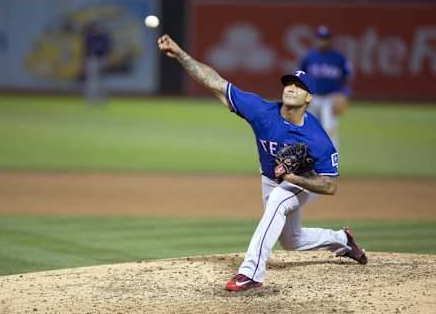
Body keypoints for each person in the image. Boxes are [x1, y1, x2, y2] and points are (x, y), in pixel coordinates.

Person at [157, 34, 367, 292]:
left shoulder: (316, 138)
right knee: (293, 240)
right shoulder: (261, 111)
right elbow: (216, 83)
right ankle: (343, 240)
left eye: (299, 86)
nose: (291, 88)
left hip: (302, 179)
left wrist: (293, 179)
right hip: (269, 177)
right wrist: (180, 54)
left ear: (309, 98)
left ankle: (251, 272)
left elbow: (330, 185)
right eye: (289, 83)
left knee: (279, 200)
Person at [300, 25, 353, 149]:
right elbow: (301, 76)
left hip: (331, 99)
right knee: (309, 131)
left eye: (325, 38)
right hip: (312, 99)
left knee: (329, 130)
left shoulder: (339, 58)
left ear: (330, 40)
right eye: (320, 38)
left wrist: (344, 94)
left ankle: (332, 164)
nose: (322, 41)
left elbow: (347, 78)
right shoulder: (309, 57)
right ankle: (310, 163)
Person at [84, 23, 111, 103]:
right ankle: (91, 99)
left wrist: (107, 58)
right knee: (92, 81)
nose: (96, 29)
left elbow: (108, 48)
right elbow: (86, 49)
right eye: (94, 28)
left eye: (97, 27)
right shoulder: (89, 37)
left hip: (102, 59)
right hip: (92, 59)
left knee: (103, 80)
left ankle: (102, 100)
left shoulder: (103, 36)